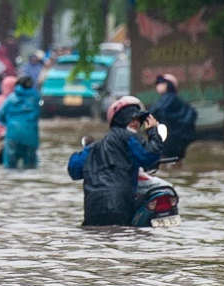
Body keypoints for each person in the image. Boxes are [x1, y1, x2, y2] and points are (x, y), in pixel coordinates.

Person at [66, 96, 164, 225]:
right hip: (119, 206)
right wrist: (153, 132)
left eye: (138, 120)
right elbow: (149, 156)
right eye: (131, 119)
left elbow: (73, 169)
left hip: (93, 210)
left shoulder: (92, 148)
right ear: (121, 119)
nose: (136, 123)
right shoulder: (128, 137)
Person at [148, 74, 198, 160]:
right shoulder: (175, 99)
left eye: (162, 83)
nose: (159, 86)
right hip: (178, 139)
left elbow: (154, 111)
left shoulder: (169, 98)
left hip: (172, 138)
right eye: (158, 83)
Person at [1, 73, 41, 169]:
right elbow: (38, 114)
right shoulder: (36, 98)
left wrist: (9, 124)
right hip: (31, 135)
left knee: (10, 166)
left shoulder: (11, 98)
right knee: (30, 167)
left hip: (13, 134)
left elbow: (0, 115)